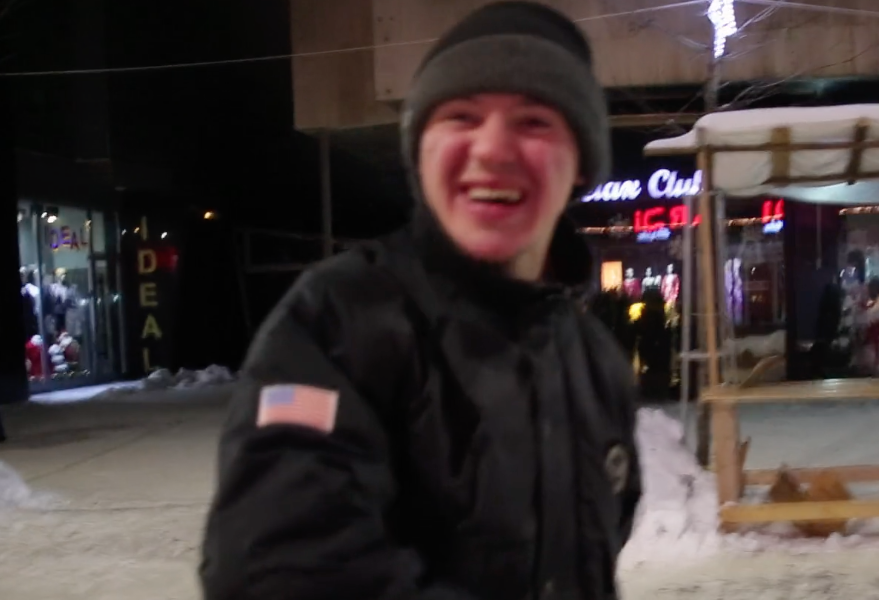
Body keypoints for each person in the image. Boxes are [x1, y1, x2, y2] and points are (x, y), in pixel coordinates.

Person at [199, 3, 642, 599]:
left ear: (581, 163)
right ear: (419, 153)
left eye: (534, 121)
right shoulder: (335, 323)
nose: (491, 149)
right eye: (461, 116)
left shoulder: (596, 363)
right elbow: (278, 568)